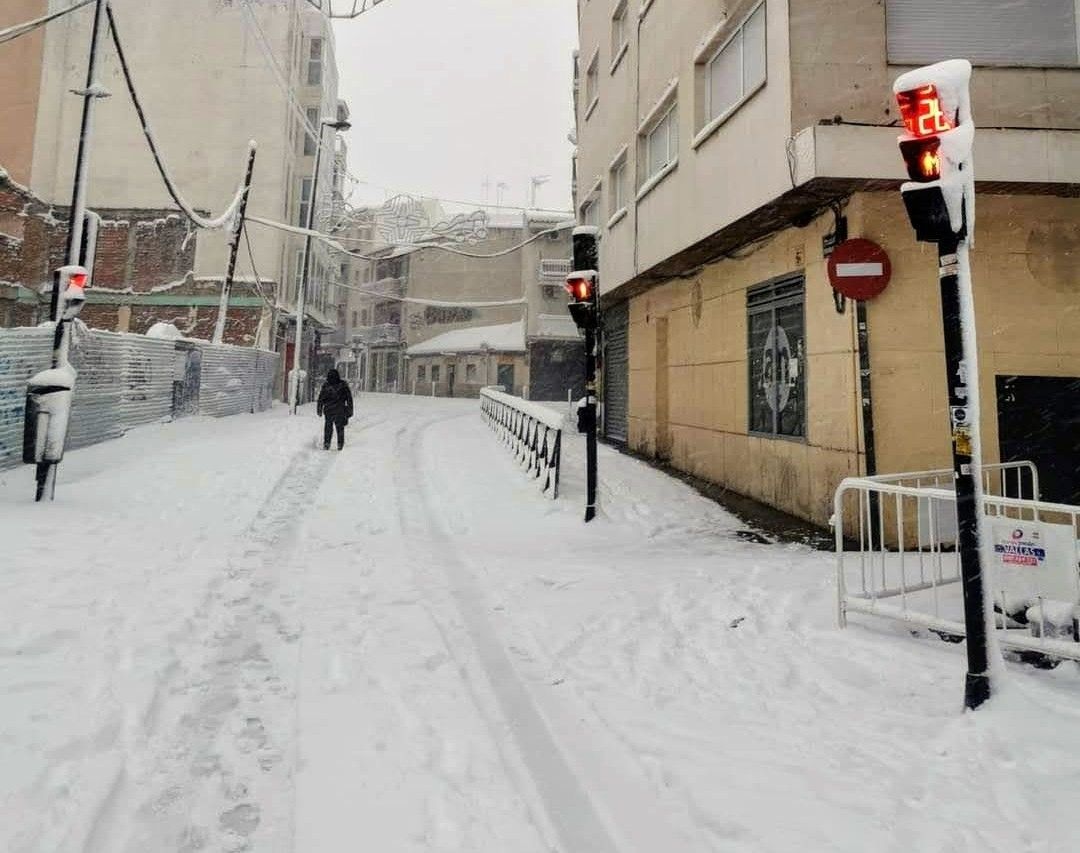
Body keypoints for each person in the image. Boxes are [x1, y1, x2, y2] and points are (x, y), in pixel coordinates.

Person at [316, 368, 353, 450]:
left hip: (328, 410)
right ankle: (340, 444)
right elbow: (349, 398)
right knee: (340, 428)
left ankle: (327, 443)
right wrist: (350, 410)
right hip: (340, 410)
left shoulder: (326, 386)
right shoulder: (343, 385)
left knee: (328, 428)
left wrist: (319, 409)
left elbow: (321, 398)